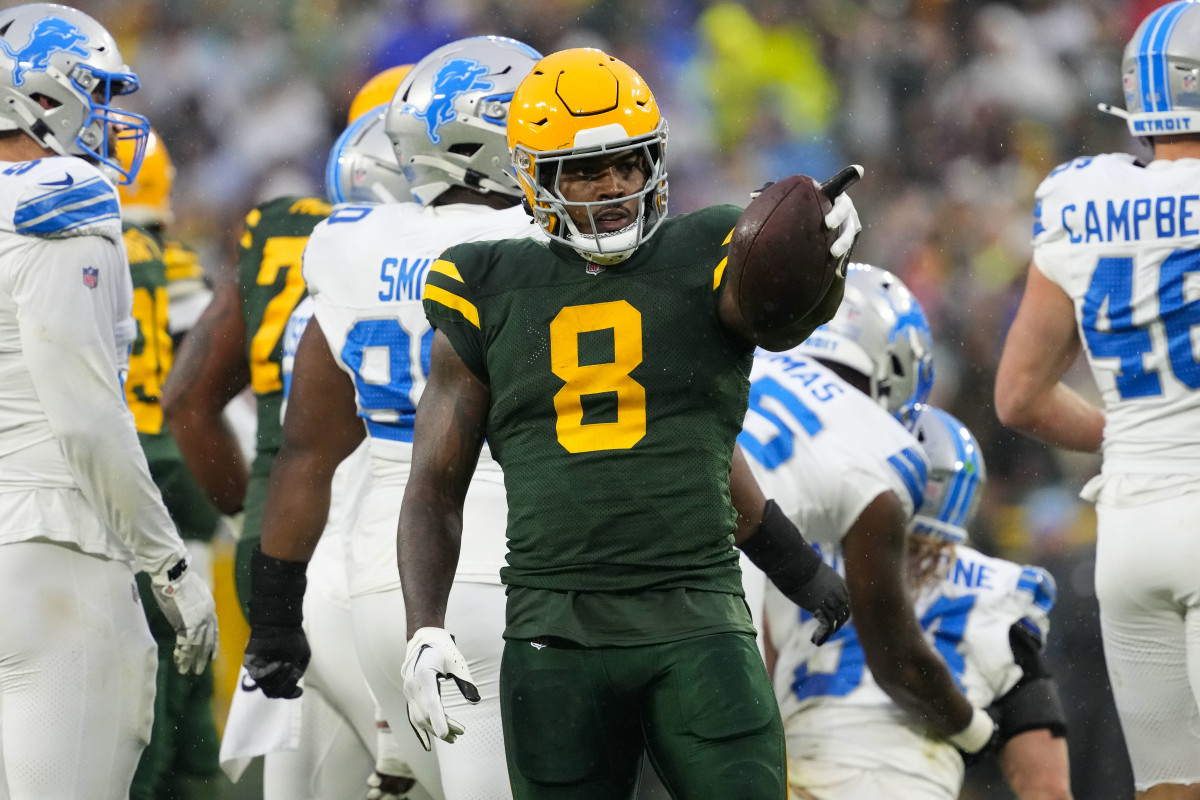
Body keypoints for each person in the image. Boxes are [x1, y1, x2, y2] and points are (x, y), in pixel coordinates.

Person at [396, 47, 855, 799]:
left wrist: (820, 268)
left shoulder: (713, 251)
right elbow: (433, 487)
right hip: (555, 633)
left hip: (698, 617)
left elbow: (754, 352)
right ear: (533, 177)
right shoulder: (484, 280)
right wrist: (423, 626)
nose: (613, 186)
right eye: (585, 169)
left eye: (630, 164)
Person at [245, 36, 546, 800]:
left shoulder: (351, 245)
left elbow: (307, 449)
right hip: (495, 571)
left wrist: (275, 614)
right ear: (491, 144)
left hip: (378, 592)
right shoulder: (534, 246)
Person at [0, 4, 217, 799]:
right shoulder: (61, 194)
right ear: (40, 98)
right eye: (93, 91)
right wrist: (166, 562)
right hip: (50, 548)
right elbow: (88, 418)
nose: (109, 117)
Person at [995, 2, 1200, 795]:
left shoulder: (1085, 197)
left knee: (1169, 786)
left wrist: (1135, 437)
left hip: (1131, 533)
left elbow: (1019, 396)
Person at [738, 265, 999, 792]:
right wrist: (977, 733)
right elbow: (897, 660)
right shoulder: (886, 446)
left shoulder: (738, 366)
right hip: (712, 574)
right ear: (897, 358)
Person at [755, 383, 1070, 799]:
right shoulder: (1001, 592)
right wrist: (979, 735)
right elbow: (1045, 787)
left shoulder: (798, 567)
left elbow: (760, 703)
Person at [116, 128, 226, 800]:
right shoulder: (172, 262)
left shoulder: (59, 241)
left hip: (114, 467)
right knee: (186, 638)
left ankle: (158, 780)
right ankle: (193, 773)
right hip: (180, 460)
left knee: (142, 655)